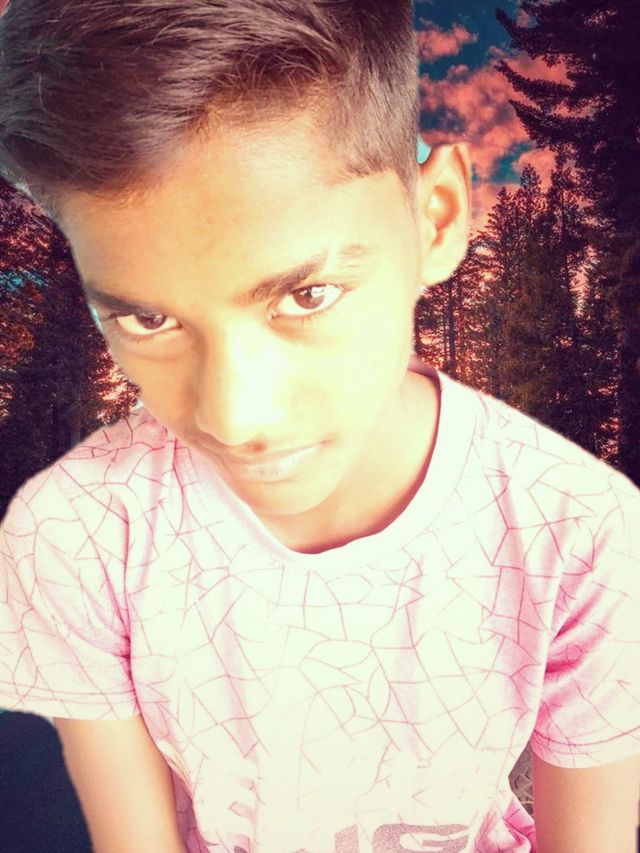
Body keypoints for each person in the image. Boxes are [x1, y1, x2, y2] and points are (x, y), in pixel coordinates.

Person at [0, 2, 638, 851]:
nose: (235, 417)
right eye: (148, 319)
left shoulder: (580, 527)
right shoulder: (77, 530)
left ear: (435, 219)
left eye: (307, 295)